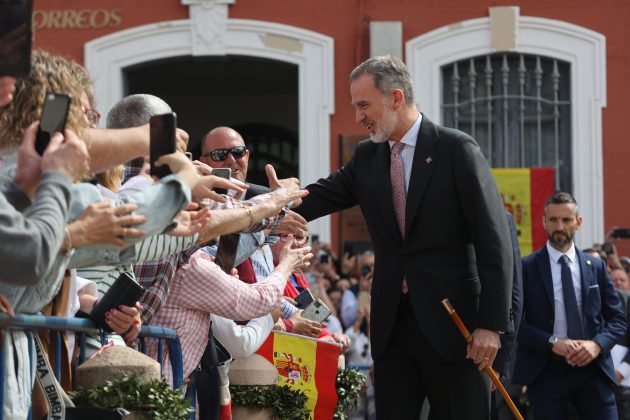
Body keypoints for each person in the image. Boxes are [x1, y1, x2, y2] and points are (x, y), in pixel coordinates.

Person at [295, 55, 514, 419]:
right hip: (393, 331)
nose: (358, 116)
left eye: (364, 105)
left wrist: (490, 326)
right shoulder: (367, 157)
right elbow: (317, 196)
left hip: (456, 330)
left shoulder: (456, 150)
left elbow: (496, 244)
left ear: (396, 98)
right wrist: (263, 201)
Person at [512, 192, 626, 420]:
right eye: (553, 220)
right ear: (544, 222)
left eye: (566, 220)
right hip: (546, 371)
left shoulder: (596, 266)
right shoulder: (527, 267)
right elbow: (515, 321)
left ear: (578, 222)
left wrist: (595, 345)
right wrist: (552, 343)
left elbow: (618, 320)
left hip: (593, 369)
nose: (559, 226)